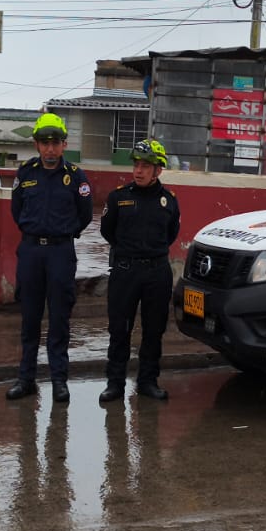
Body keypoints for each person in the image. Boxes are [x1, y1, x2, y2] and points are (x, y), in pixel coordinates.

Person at [6, 112, 94, 404]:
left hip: (60, 252)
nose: (50, 148)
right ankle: (26, 379)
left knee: (59, 318)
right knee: (30, 318)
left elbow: (84, 215)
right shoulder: (26, 173)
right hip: (31, 251)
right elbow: (17, 211)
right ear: (36, 144)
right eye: (44, 142)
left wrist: (63, 234)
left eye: (55, 142)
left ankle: (59, 380)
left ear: (64, 144)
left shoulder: (76, 176)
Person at [98, 139, 180, 402]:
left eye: (145, 166)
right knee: (119, 329)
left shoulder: (169, 201)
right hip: (126, 271)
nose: (138, 170)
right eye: (136, 164)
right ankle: (115, 384)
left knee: (154, 330)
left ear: (158, 170)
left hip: (157, 272)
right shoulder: (119, 197)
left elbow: (171, 234)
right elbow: (107, 231)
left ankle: (147, 382)